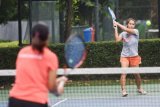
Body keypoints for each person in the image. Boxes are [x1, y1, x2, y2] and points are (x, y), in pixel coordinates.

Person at [8, 23, 68, 107]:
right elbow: (52, 88)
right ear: (47, 38)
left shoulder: (22, 52)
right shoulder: (51, 57)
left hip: (15, 101)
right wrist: (61, 83)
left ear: (32, 36)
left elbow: (34, 80)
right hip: (37, 102)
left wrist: (59, 79)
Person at [113, 18, 147, 97]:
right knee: (123, 73)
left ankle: (139, 88)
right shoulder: (123, 34)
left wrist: (117, 23)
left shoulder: (136, 32)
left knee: (137, 74)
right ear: (127, 24)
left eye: (133, 24)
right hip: (124, 56)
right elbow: (117, 40)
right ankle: (124, 91)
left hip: (134, 56)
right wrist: (115, 28)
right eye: (130, 24)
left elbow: (125, 29)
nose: (131, 25)